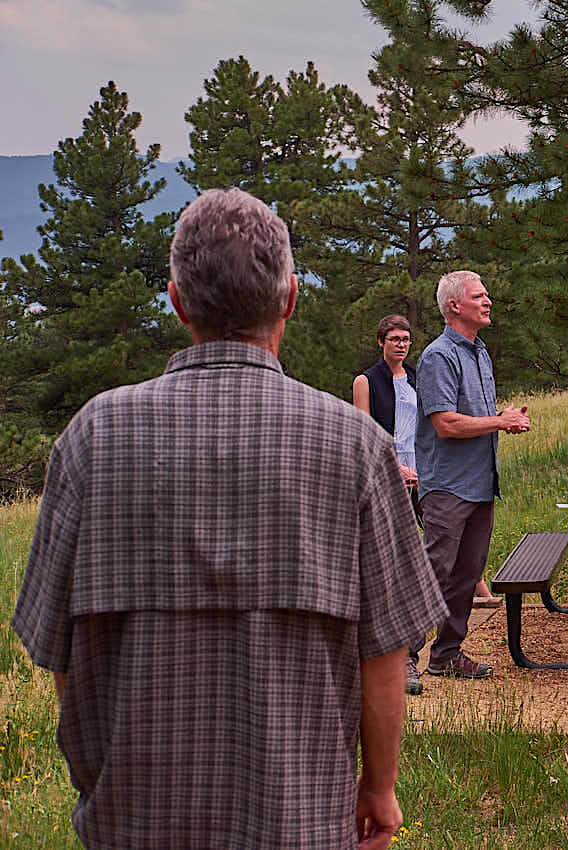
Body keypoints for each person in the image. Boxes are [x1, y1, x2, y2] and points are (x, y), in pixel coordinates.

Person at [10, 188, 446, 850]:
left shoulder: (93, 435)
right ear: (290, 299)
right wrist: (378, 789)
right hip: (302, 820)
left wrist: (98, 773)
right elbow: (385, 653)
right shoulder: (354, 444)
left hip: (132, 819)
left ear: (177, 300)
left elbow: (58, 648)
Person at [415, 270, 530, 682]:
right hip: (447, 485)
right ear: (454, 306)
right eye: (479, 296)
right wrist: (500, 422)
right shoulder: (438, 357)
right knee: (434, 571)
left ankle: (446, 654)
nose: (488, 301)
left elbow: (477, 418)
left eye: (487, 295)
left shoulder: (480, 353)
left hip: (481, 484)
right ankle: (403, 660)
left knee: (466, 573)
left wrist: (504, 422)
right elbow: (445, 423)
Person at [354, 315, 498, 613]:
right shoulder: (366, 381)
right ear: (381, 342)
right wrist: (393, 465)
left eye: (405, 340)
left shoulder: (416, 375)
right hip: (387, 464)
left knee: (447, 530)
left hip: (423, 464)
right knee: (394, 538)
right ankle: (388, 604)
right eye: (394, 339)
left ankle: (481, 593)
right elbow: (363, 431)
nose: (401, 345)